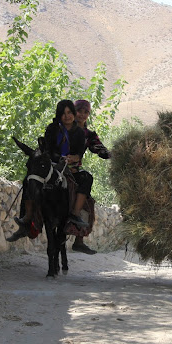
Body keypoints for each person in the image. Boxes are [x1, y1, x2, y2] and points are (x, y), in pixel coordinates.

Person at [8, 100, 91, 242]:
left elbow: (79, 154)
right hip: (50, 163)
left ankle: (75, 214)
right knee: (30, 180)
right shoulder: (52, 129)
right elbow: (47, 149)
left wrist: (72, 158)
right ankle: (27, 219)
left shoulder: (79, 133)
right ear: (59, 115)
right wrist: (57, 157)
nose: (67, 116)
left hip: (70, 167)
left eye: (69, 113)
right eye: (63, 113)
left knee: (87, 178)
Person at [70, 99, 112, 255]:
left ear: (88, 115)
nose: (81, 114)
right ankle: (28, 220)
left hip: (74, 172)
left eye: (85, 112)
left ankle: (78, 240)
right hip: (56, 166)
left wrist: (115, 154)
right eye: (79, 111)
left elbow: (99, 149)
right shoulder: (62, 129)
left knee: (87, 181)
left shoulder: (89, 135)